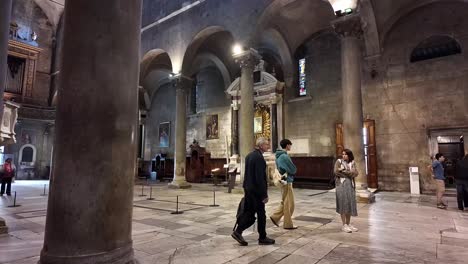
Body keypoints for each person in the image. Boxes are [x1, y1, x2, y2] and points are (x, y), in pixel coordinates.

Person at [232, 137, 275, 246]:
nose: (268, 146)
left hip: (249, 189)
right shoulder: (259, 158)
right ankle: (262, 237)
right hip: (256, 191)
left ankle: (238, 232)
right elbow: (259, 178)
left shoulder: (249, 156)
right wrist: (264, 195)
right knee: (261, 214)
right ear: (260, 145)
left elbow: (247, 175)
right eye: (266, 144)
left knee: (250, 212)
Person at [270, 139, 297, 229]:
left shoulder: (278, 156)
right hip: (287, 181)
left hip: (284, 180)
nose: (290, 147)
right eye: (290, 145)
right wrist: (294, 170)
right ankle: (281, 220)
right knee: (289, 204)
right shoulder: (284, 156)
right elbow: (293, 169)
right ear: (287, 145)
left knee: (286, 202)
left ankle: (279, 219)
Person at [334, 149, 358, 233]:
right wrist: (349, 172)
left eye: (345, 154)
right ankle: (344, 225)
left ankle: (348, 224)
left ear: (349, 155)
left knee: (349, 204)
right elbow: (336, 172)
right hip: (341, 185)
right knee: (343, 204)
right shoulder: (339, 161)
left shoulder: (353, 162)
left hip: (350, 185)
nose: (343, 156)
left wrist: (344, 170)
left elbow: (355, 173)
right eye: (343, 154)